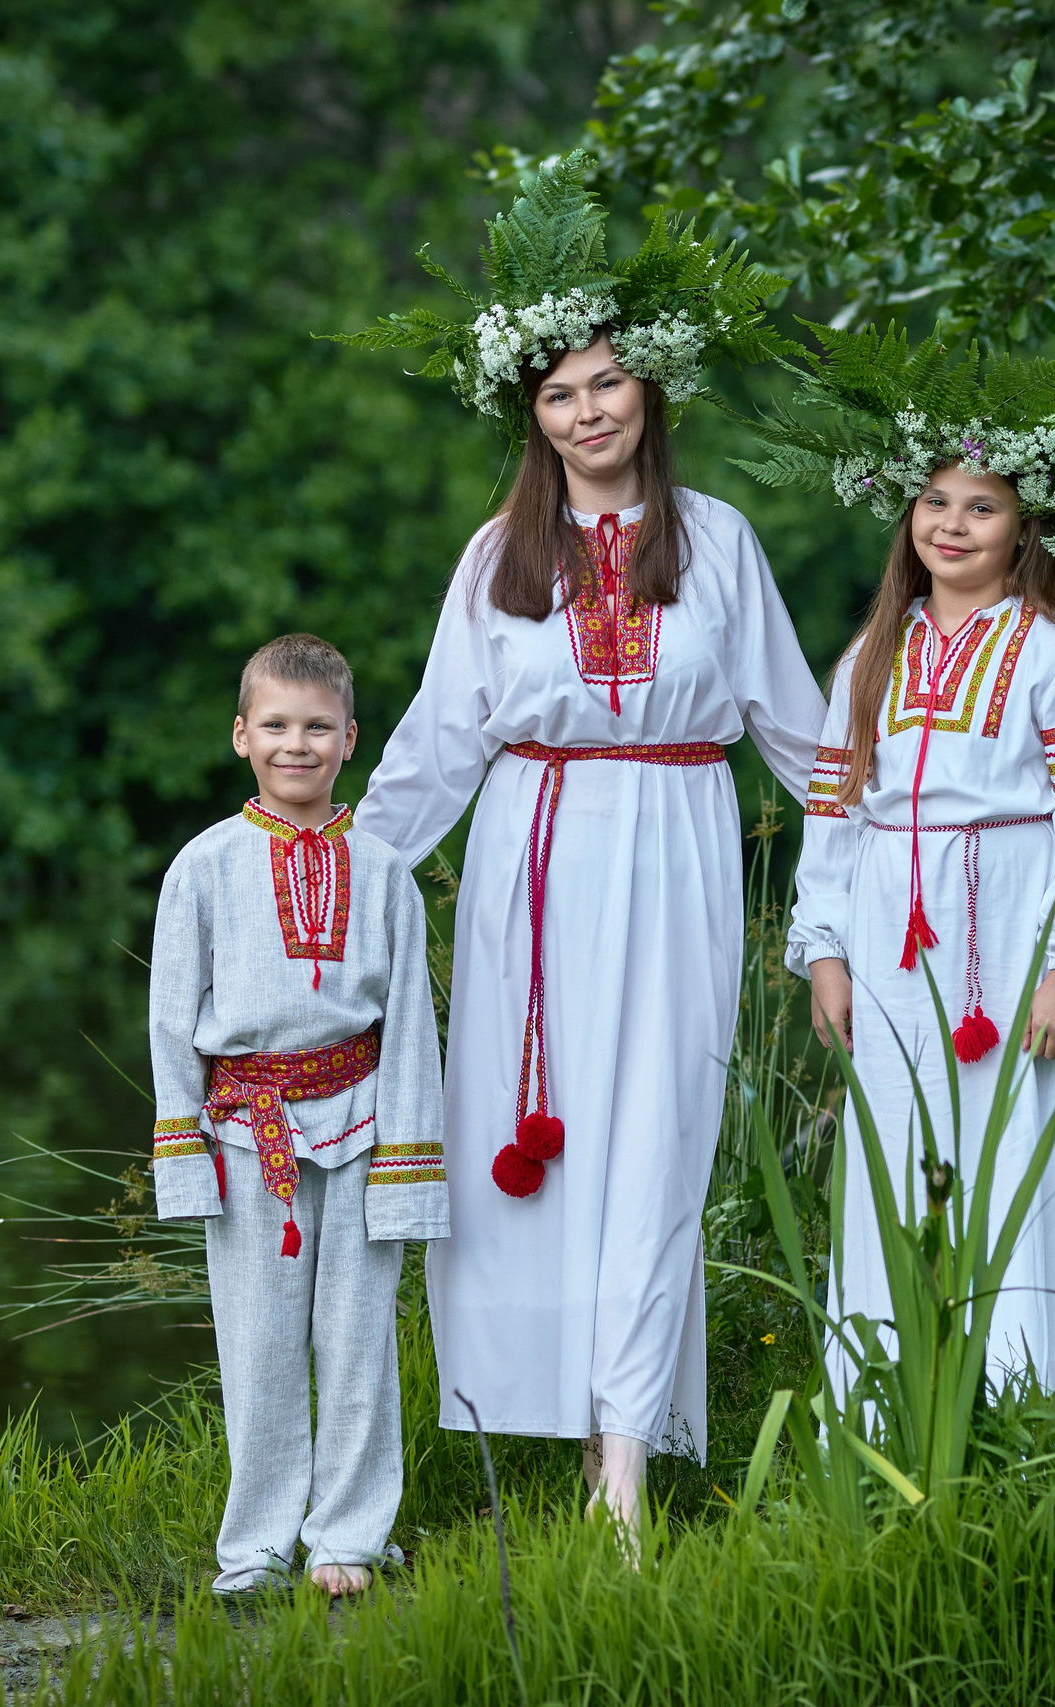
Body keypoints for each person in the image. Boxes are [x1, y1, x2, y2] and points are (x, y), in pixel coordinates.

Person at [341, 155, 824, 1528]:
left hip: (675, 847)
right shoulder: (498, 552)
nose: (588, 409)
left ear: (649, 392)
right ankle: (537, 1422)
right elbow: (439, 743)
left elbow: (800, 735)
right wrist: (338, 876)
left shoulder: (717, 541)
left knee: (659, 1132)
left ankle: (626, 1459)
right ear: (533, 416)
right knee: (526, 1141)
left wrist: (905, 848)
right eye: (559, 394)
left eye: (607, 382)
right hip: (533, 863)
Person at [760, 326, 1055, 1403]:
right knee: (891, 1153)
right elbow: (834, 816)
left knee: (1019, 1153)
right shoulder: (870, 656)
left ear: (1026, 530)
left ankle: (1030, 1396)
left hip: (1012, 926)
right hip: (888, 929)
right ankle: (883, 1404)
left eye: (982, 507)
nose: (951, 525)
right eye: (934, 502)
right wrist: (825, 951)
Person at [146, 633, 447, 1597]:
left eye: (318, 727)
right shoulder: (202, 867)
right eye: (275, 725)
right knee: (259, 1345)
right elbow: (171, 1022)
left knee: (357, 1341)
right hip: (246, 1136)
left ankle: (348, 1535)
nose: (296, 744)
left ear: (350, 738)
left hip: (361, 1129)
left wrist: (408, 1166)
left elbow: (409, 1029)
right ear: (241, 735)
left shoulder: (385, 871)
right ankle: (258, 1545)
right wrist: (185, 1152)